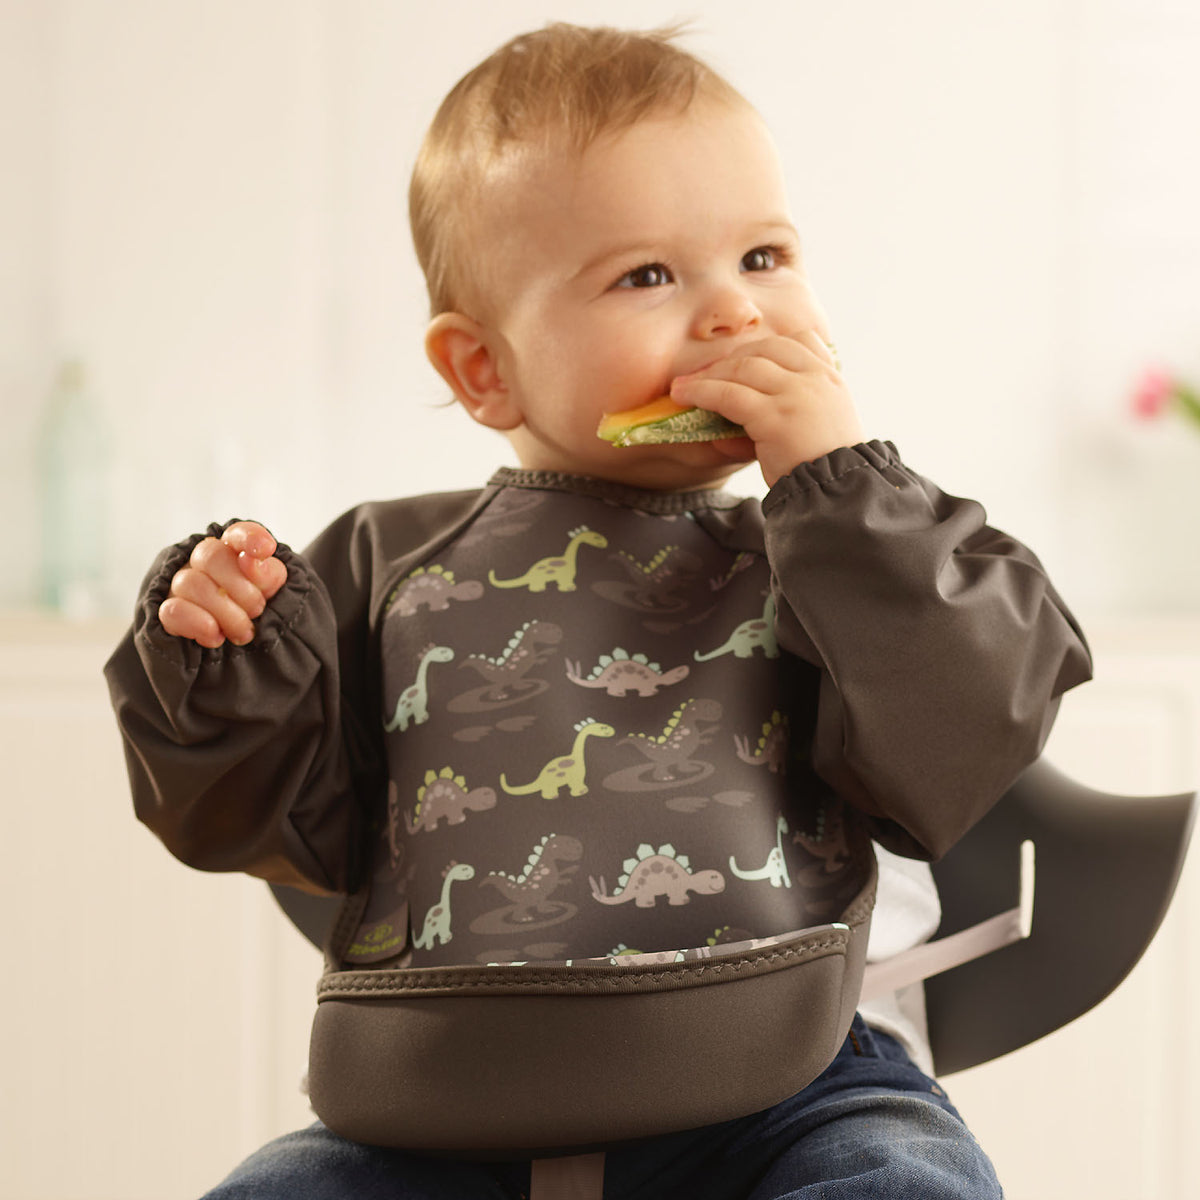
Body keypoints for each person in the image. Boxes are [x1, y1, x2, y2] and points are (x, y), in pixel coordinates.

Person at [104, 23, 1092, 1199]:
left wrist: (846, 489)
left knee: (905, 1179)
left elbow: (965, 728)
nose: (735, 314)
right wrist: (221, 659)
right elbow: (263, 821)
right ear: (484, 370)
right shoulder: (383, 562)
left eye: (764, 257)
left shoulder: (824, 547)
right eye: (648, 275)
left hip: (793, 1082)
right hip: (433, 1105)